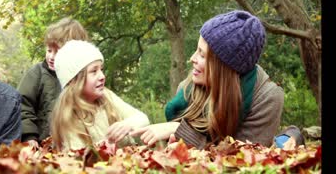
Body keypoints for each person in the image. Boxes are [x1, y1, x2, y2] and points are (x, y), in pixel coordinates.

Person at [130, 10, 290, 149]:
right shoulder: (187, 89)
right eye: (196, 50)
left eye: (202, 54)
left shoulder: (267, 98)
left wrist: (179, 130)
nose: (192, 58)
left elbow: (245, 162)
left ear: (224, 67)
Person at [50, 40, 150, 151]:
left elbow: (142, 119)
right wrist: (105, 146)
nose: (102, 76)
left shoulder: (106, 97)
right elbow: (79, 158)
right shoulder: (68, 116)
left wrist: (129, 124)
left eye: (101, 69)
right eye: (94, 71)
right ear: (75, 80)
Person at [18, 17, 89, 147]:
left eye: (57, 52)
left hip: (75, 144)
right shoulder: (37, 73)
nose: (51, 57)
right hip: (43, 145)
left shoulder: (84, 77)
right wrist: (29, 136)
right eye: (49, 50)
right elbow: (22, 106)